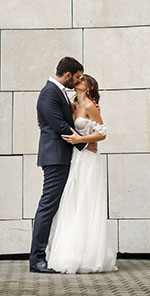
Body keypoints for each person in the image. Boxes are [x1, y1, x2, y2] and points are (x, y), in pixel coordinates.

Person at [46, 74, 117, 274]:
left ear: (88, 87)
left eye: (82, 79)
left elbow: (102, 132)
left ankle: (89, 254)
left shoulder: (90, 106)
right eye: (78, 78)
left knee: (87, 202)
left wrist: (81, 140)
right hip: (74, 159)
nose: (78, 80)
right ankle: (70, 250)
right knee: (71, 200)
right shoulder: (70, 105)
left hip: (89, 160)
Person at [28, 56, 90, 273]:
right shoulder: (49, 93)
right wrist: (85, 144)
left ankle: (47, 254)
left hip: (60, 156)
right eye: (77, 77)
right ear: (67, 75)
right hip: (54, 157)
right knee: (48, 206)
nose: (78, 81)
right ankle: (36, 259)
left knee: (53, 206)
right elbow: (58, 125)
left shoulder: (56, 92)